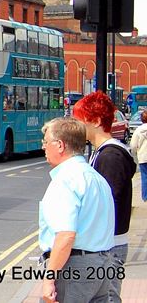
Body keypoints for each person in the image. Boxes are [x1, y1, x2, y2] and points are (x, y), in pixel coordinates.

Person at [38, 117, 116, 303]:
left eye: (46, 142)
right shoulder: (96, 177)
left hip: (73, 268)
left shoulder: (65, 180)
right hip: (102, 263)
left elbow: (65, 236)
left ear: (59, 145)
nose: (43, 147)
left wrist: (49, 278)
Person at [71, 91, 135, 299]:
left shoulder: (110, 156)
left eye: (80, 120)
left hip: (109, 246)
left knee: (108, 296)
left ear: (96, 121)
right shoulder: (102, 152)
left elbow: (107, 203)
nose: (76, 125)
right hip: (105, 243)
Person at [130, 110, 147, 203]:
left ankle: (145, 197)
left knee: (144, 176)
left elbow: (133, 145)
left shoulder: (138, 130)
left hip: (143, 156)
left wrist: (135, 152)